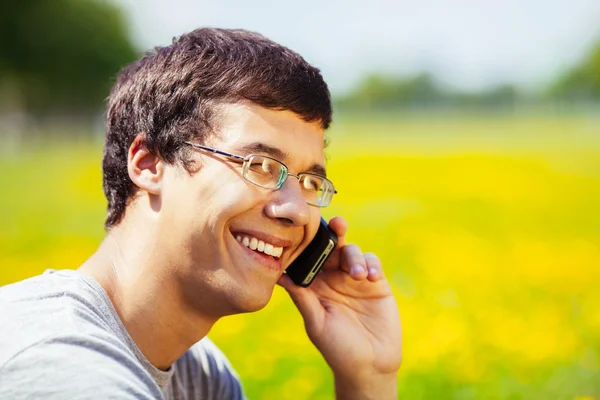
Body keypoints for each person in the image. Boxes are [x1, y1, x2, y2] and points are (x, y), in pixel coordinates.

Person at [0, 28, 401, 399]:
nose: (296, 210)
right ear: (149, 163)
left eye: (310, 183)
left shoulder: (200, 375)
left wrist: (368, 379)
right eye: (260, 165)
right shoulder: (60, 371)